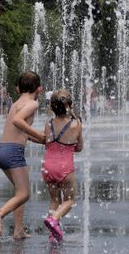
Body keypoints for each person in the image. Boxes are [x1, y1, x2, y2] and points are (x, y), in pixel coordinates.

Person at [0, 71, 45, 240]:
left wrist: (41, 141)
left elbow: (20, 131)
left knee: (19, 192)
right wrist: (40, 135)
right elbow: (18, 122)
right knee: (24, 194)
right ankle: (0, 213)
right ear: (39, 89)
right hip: (13, 152)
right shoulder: (32, 104)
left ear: (17, 89)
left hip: (3, 150)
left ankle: (18, 230)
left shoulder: (15, 103)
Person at [41, 90, 83, 243]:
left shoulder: (48, 124)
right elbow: (79, 148)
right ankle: (54, 220)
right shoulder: (76, 124)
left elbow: (46, 143)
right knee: (70, 200)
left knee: (54, 200)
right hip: (65, 168)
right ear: (69, 106)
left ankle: (53, 234)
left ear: (52, 107)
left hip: (47, 166)